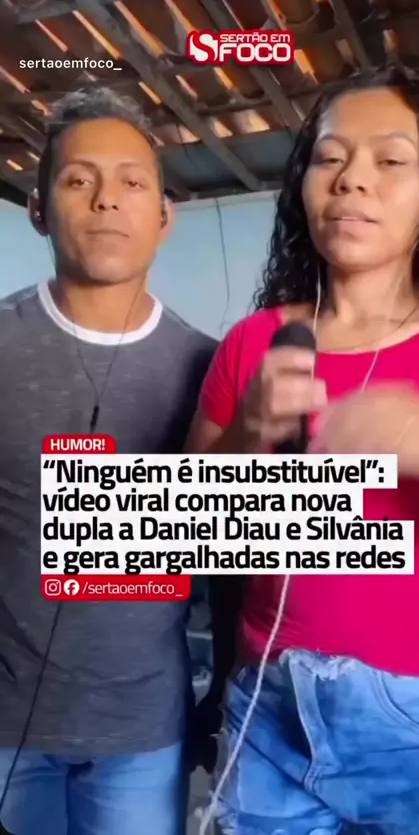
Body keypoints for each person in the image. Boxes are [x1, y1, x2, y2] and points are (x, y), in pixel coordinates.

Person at [187, 65, 419, 834]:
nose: (352, 179)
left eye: (389, 159)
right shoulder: (253, 343)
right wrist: (248, 434)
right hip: (267, 708)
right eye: (329, 158)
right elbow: (184, 536)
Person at [0, 87, 217, 835]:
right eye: (78, 179)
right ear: (38, 209)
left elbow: (230, 558)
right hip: (8, 728)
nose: (107, 200)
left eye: (132, 181)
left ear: (163, 217)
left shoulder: (210, 368)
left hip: (145, 733)